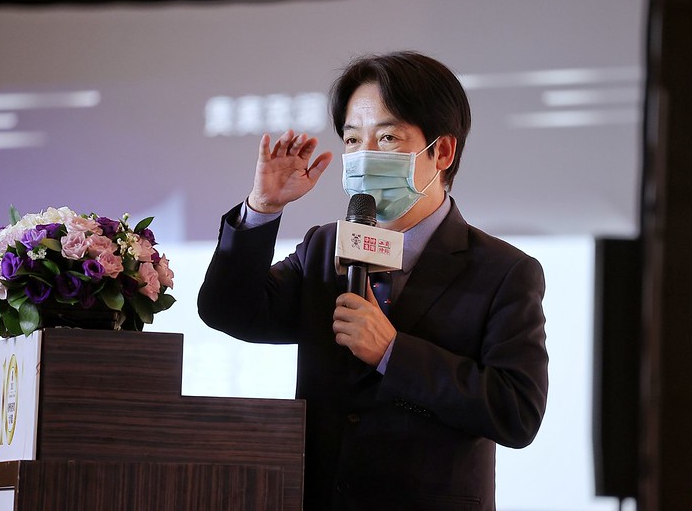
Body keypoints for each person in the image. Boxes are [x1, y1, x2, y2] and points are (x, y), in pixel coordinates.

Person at [197, 51, 548, 511]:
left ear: (442, 152)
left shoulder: (504, 271)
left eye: (387, 137)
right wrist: (262, 207)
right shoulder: (325, 247)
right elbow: (229, 311)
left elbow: (516, 413)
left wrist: (392, 353)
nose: (364, 156)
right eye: (352, 139)